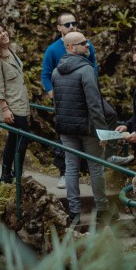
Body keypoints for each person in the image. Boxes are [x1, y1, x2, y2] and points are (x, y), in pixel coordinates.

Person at [51, 31, 112, 223]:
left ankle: (74, 212)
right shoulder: (86, 70)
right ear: (69, 47)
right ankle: (102, 209)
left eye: (87, 42)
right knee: (96, 167)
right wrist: (103, 133)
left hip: (66, 128)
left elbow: (57, 105)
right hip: (87, 129)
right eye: (83, 43)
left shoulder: (55, 71)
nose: (88, 45)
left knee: (71, 168)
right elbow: (95, 105)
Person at [41, 12, 98, 188]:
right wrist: (52, 93)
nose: (72, 26)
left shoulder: (86, 45)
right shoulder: (52, 49)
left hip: (85, 99)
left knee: (88, 134)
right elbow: (46, 74)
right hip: (65, 100)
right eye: (67, 24)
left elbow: (94, 69)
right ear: (59, 28)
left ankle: (89, 170)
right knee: (64, 137)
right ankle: (64, 173)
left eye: (74, 23)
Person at [0, 24, 31, 184]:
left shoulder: (10, 51)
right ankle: (17, 173)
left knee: (13, 138)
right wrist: (4, 108)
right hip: (11, 106)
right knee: (24, 136)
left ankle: (6, 175)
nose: (4, 34)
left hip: (21, 103)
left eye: (4, 30)